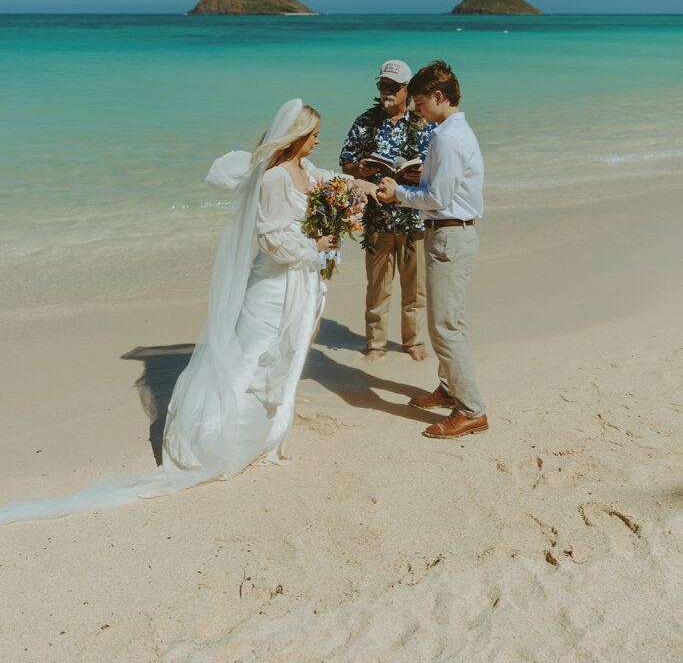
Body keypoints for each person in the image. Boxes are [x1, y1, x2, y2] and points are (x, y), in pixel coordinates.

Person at [0, 100, 376, 524]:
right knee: (254, 353)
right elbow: (272, 241)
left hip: (302, 280)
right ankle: (219, 436)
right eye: (313, 135)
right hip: (274, 285)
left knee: (284, 351)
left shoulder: (305, 171)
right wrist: (316, 246)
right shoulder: (273, 179)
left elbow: (333, 181)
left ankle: (273, 419)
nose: (318, 141)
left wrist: (367, 188)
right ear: (294, 138)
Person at [377, 61, 488, 438]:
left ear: (439, 97)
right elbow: (445, 187)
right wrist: (419, 176)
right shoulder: (453, 131)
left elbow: (438, 196)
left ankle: (471, 410)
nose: (414, 109)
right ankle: (448, 387)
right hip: (454, 234)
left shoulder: (446, 137)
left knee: (443, 327)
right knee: (451, 321)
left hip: (449, 236)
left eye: (420, 101)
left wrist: (398, 192)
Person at [340, 59, 435, 363]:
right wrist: (361, 168)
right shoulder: (365, 121)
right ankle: (376, 344)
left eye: (394, 86)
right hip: (377, 220)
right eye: (383, 85)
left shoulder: (425, 123)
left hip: (414, 219)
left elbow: (440, 169)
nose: (387, 91)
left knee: (415, 290)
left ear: (408, 89)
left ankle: (414, 342)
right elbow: (346, 163)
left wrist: (420, 176)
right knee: (377, 289)